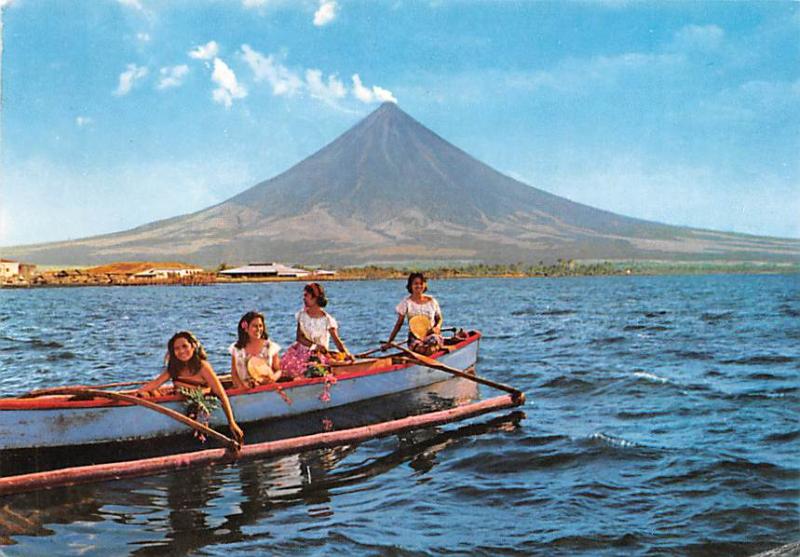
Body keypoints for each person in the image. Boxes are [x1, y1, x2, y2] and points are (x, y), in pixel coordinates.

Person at [136, 331, 244, 443]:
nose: (182, 351)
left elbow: (221, 394)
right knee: (144, 394)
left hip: (199, 405)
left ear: (193, 347)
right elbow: (154, 384)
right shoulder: (174, 368)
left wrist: (232, 422)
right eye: (177, 348)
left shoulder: (202, 367)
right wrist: (137, 394)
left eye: (185, 346)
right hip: (181, 400)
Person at [281, 283, 353, 378]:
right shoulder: (302, 315)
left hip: (320, 354)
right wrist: (315, 346)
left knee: (318, 366)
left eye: (306, 295)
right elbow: (299, 337)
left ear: (314, 298)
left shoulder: (328, 320)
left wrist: (347, 354)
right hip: (301, 352)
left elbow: (337, 341)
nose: (303, 298)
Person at [383, 272, 444, 356]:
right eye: (416, 284)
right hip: (414, 338)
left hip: (432, 335)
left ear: (425, 285)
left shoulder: (432, 301)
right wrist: (389, 342)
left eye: (421, 283)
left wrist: (437, 327)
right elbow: (398, 324)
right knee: (421, 349)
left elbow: (439, 318)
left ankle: (431, 356)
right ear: (410, 286)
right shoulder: (406, 302)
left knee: (432, 344)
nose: (418, 286)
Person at [229, 311, 281, 389]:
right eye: (255, 326)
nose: (258, 329)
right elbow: (234, 374)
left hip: (268, 390)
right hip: (244, 392)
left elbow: (279, 370)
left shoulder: (270, 346)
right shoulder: (237, 349)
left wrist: (273, 378)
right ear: (246, 328)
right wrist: (241, 387)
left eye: (260, 326)